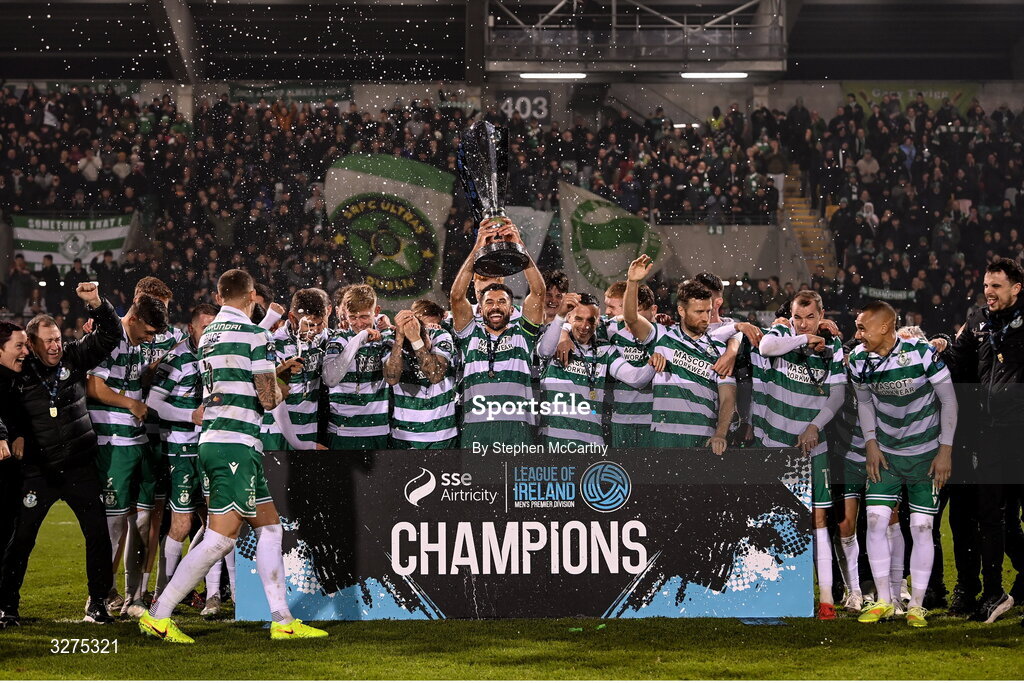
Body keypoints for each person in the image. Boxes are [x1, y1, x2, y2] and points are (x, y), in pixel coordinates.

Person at [139, 269, 327, 643]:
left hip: (218, 440)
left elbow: (239, 378)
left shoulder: (210, 333)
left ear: (221, 295)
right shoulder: (255, 334)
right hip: (235, 444)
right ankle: (158, 614)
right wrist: (285, 378)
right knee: (220, 539)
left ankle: (282, 619)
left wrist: (275, 372)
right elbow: (269, 398)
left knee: (270, 529)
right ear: (253, 295)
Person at [712, 290, 846, 619]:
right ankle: (772, 595)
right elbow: (768, 347)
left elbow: (838, 395)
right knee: (770, 520)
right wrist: (803, 338)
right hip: (775, 446)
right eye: (798, 317)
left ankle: (826, 600)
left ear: (822, 314)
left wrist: (815, 426)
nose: (803, 324)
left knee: (818, 522)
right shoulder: (783, 333)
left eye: (810, 317)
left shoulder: (834, 346)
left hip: (813, 446)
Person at [0, 284, 122, 627]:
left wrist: (96, 304)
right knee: (21, 539)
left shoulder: (74, 356)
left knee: (97, 533)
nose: (55, 346)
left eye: (57, 339)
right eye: (47, 341)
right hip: (38, 471)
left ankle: (97, 602)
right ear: (33, 343)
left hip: (79, 467)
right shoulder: (19, 372)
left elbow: (110, 335)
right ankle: (7, 605)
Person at [849, 300, 957, 628]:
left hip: (925, 455)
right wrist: (871, 444)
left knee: (922, 527)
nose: (858, 334)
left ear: (884, 327)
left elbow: (949, 400)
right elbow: (865, 403)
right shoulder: (858, 360)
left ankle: (918, 605)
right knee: (875, 520)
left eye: (862, 327)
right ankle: (884, 600)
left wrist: (945, 451)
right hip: (886, 455)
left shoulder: (922, 355)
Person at [940, 257, 1024, 623]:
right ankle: (993, 592)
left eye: (996, 286)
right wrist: (934, 353)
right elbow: (957, 363)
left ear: (1017, 288)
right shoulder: (977, 321)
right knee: (990, 516)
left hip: (1021, 431)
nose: (988, 293)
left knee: (1012, 520)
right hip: (988, 433)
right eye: (986, 285)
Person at [85, 294, 169, 616]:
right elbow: (95, 387)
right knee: (113, 524)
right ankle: (97, 598)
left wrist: (149, 373)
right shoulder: (108, 338)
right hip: (112, 442)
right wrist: (132, 404)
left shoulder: (136, 343)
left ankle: (130, 597)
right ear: (132, 317)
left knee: (140, 520)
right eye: (147, 332)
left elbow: (127, 381)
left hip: (135, 440)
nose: (150, 339)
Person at [145, 303, 218, 613]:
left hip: (213, 447)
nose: (210, 335)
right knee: (181, 524)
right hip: (182, 448)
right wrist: (191, 415)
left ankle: (213, 596)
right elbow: (153, 402)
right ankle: (166, 592)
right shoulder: (176, 359)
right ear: (191, 329)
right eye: (205, 329)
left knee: (216, 521)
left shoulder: (220, 355)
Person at [623, 256, 736, 454]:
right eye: (699, 312)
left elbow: (728, 396)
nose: (705, 318)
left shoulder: (720, 347)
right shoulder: (662, 335)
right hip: (663, 433)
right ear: (681, 310)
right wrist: (632, 282)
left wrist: (720, 433)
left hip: (704, 435)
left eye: (708, 311)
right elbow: (631, 318)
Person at [450, 217, 545, 448]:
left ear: (512, 308)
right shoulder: (469, 333)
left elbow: (539, 292)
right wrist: (477, 248)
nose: (495, 306)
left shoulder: (523, 332)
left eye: (501, 302)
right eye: (489, 302)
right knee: (477, 484)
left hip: (517, 425)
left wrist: (519, 245)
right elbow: (456, 297)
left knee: (514, 483)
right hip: (476, 424)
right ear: (480, 308)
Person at [536, 292, 659, 446]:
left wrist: (654, 362)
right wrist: (560, 319)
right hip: (554, 439)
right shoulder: (556, 341)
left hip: (591, 442)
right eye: (578, 319)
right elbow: (545, 351)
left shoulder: (605, 350)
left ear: (598, 322)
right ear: (569, 318)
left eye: (590, 320)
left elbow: (636, 379)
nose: (584, 326)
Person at [321, 284, 392, 450]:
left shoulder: (386, 337)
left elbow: (393, 376)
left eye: (364, 316)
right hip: (341, 431)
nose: (359, 323)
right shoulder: (338, 338)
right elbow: (330, 379)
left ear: (376, 311)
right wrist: (360, 338)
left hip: (377, 430)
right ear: (345, 315)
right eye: (353, 317)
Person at [382, 300, 458, 449]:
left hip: (441, 435)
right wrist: (399, 337)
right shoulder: (391, 339)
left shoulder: (441, 334)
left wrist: (416, 339)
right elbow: (391, 378)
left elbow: (435, 375)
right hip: (403, 435)